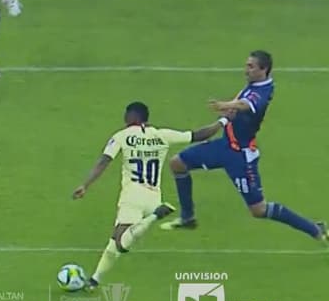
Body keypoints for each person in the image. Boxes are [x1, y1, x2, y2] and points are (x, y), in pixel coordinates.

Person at [161, 50, 328, 243]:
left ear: (263, 69)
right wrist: (226, 116)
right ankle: (187, 218)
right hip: (224, 146)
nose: (246, 70)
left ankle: (314, 228)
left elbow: (245, 105)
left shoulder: (263, 91)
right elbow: (239, 105)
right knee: (177, 163)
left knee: (259, 209)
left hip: (240, 156)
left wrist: (225, 105)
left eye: (251, 66)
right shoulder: (254, 85)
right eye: (246, 65)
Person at [72, 101, 225, 288]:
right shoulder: (161, 135)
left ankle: (155, 216)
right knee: (114, 243)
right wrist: (223, 121)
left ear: (133, 116)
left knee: (120, 243)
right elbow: (199, 135)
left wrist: (85, 185)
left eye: (126, 114)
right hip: (153, 196)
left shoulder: (122, 136)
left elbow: (104, 161)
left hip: (132, 197)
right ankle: (95, 280)